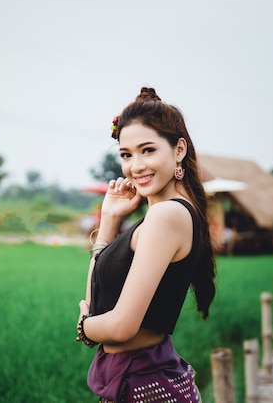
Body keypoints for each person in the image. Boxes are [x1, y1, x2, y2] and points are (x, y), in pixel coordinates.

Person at [76, 87, 216, 402]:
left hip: (145, 386)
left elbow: (121, 325)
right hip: (138, 383)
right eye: (127, 154)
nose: (135, 165)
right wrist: (109, 219)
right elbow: (99, 301)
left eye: (148, 150)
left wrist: (85, 326)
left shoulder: (168, 215)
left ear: (178, 150)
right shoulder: (162, 215)